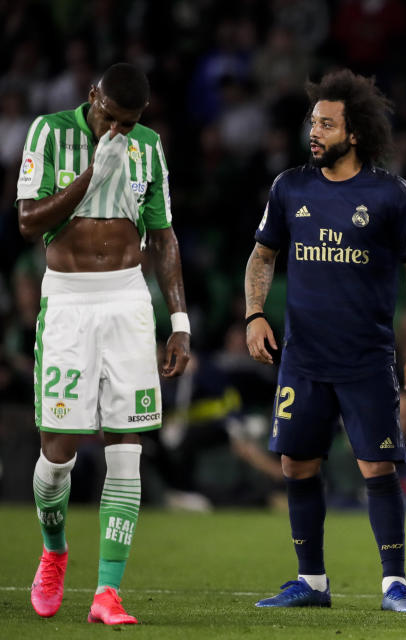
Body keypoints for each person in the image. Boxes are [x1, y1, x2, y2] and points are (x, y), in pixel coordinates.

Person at [244, 69, 406, 613]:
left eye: (327, 123)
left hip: (366, 361)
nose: (315, 130)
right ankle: (313, 582)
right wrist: (255, 314)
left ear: (354, 134)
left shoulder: (391, 194)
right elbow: (262, 256)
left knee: (377, 468)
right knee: (296, 467)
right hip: (302, 359)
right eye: (313, 121)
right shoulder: (289, 187)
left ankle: (395, 584)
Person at [17, 62, 191, 625]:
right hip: (68, 300)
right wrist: (93, 174)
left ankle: (107, 593)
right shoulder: (50, 132)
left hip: (127, 301)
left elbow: (162, 236)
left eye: (130, 121)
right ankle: (54, 551)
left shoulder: (149, 146)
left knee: (126, 448)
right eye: (111, 117)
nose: (120, 130)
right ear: (92, 96)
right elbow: (28, 221)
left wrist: (180, 321)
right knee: (58, 451)